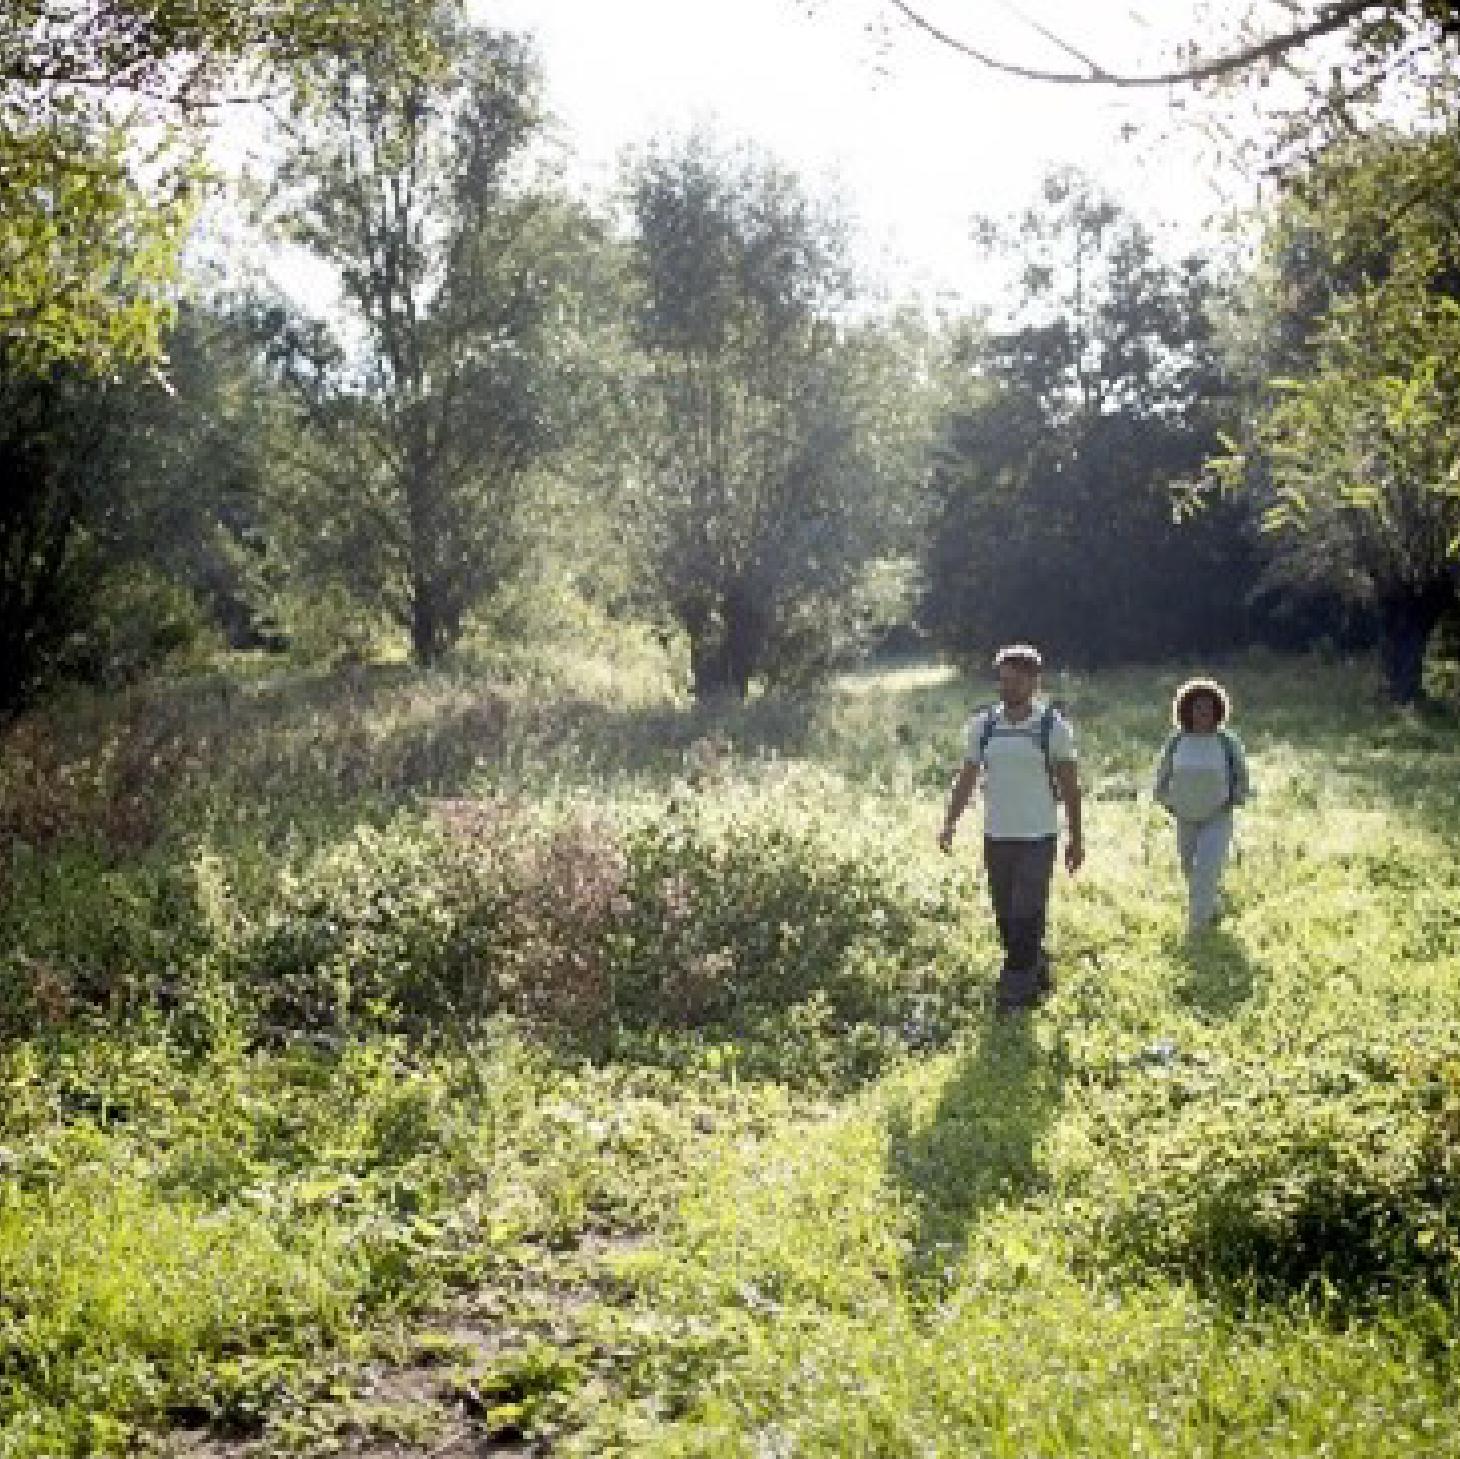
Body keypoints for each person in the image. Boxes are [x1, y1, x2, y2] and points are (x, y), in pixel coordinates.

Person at [938, 644, 1084, 1012]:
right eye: (1003, 679)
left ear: (1035, 681)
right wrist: (950, 823)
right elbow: (967, 778)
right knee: (1006, 916)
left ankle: (1015, 995)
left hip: (1038, 836)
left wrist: (1076, 837)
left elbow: (1069, 785)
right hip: (996, 836)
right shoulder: (984, 726)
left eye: (1017, 679)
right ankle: (1036, 968)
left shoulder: (1052, 727)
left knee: (1027, 911)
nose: (1008, 686)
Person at [1153, 677, 1250, 935]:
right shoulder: (1176, 742)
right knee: (1189, 869)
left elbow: (1241, 776)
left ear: (1218, 711)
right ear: (1187, 710)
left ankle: (1197, 929)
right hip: (1185, 816)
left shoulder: (1227, 742)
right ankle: (1212, 907)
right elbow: (1162, 777)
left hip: (1217, 816)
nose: (1203, 713)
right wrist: (1168, 802)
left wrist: (1234, 799)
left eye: (1209, 708)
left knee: (1206, 870)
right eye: (1198, 707)